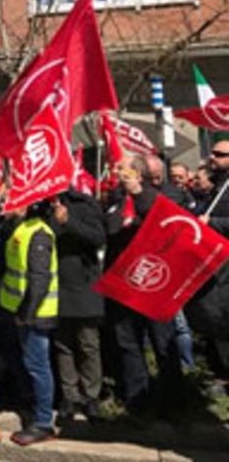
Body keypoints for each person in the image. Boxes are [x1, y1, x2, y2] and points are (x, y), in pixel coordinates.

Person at [105, 158, 182, 414]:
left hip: (153, 282)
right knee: (127, 343)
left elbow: (166, 220)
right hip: (123, 282)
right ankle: (137, 399)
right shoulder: (115, 199)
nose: (119, 174)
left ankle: (173, 401)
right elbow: (110, 229)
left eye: (124, 169)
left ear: (139, 174)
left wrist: (137, 193)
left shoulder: (162, 195)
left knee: (162, 342)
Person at [0, 203, 58, 446]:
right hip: (16, 308)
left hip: (33, 313)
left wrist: (28, 312)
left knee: (37, 365)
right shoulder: (21, 228)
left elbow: (39, 277)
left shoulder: (39, 233)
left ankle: (43, 422)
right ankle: (30, 406)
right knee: (25, 361)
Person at [50, 189, 106, 421]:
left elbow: (97, 237)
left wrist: (68, 222)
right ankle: (69, 396)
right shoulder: (40, 206)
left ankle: (91, 395)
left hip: (83, 284)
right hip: (55, 285)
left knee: (88, 344)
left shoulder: (84, 204)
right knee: (63, 346)